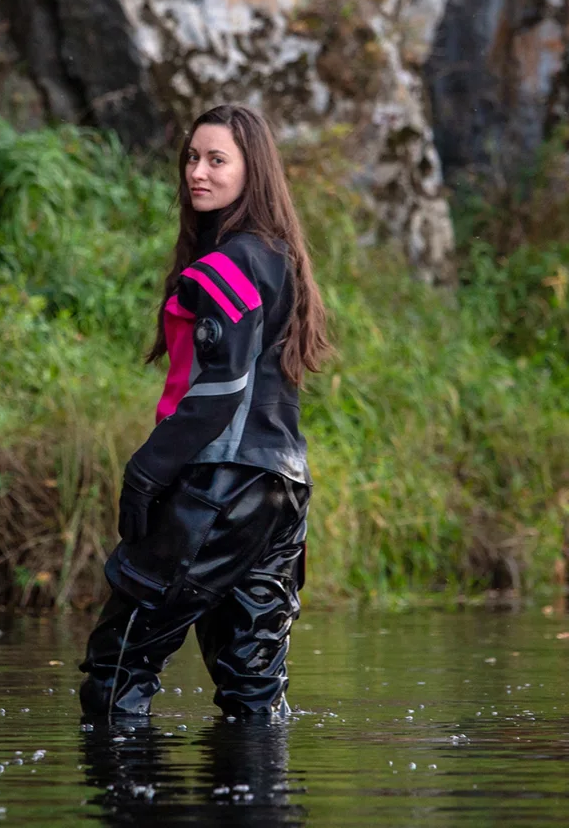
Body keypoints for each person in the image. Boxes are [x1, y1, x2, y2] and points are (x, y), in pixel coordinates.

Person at [79, 103, 330, 719]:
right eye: (192, 157)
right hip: (283, 490)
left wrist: (145, 473)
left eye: (217, 160)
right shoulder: (280, 258)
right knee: (253, 688)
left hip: (218, 486)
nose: (197, 172)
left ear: (252, 171)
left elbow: (223, 388)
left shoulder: (230, 264)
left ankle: (123, 779)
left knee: (118, 667)